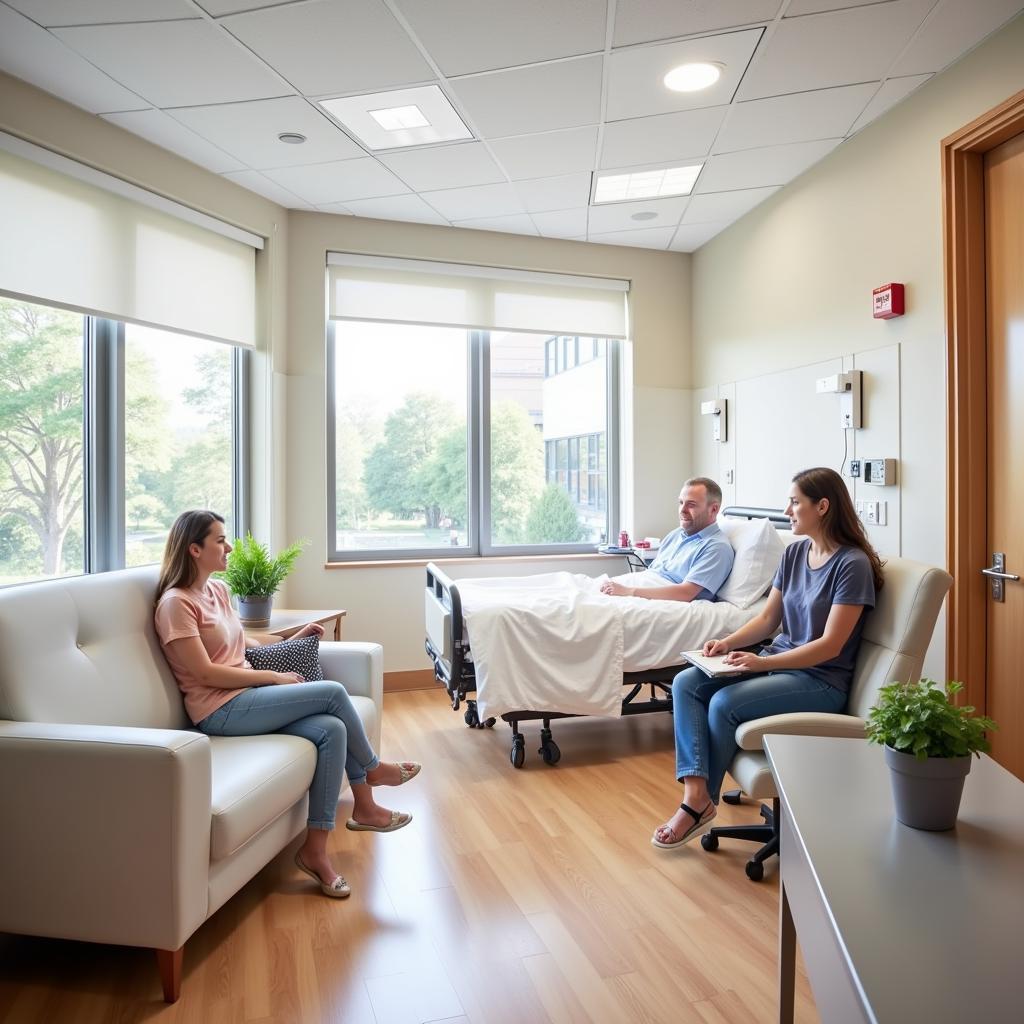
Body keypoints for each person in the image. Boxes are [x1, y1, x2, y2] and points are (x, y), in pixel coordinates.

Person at [154, 510, 421, 898]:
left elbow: (242, 644)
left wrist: (291, 639)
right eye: (219, 541)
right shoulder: (175, 605)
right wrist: (273, 676)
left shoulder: (217, 591)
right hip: (219, 710)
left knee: (332, 729)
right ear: (194, 549)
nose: (228, 547)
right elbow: (206, 673)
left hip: (248, 699)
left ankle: (318, 848)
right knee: (332, 692)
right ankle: (374, 769)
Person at [652, 467, 883, 849]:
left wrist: (762, 663)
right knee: (687, 682)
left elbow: (830, 646)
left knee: (724, 703)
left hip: (820, 680)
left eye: (795, 502)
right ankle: (698, 797)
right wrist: (726, 643)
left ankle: (695, 807)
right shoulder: (794, 553)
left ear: (822, 506)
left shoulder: (851, 565)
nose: (788, 510)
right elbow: (767, 620)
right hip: (781, 662)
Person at [599, 477, 735, 602]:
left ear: (713, 509)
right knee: (584, 589)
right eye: (681, 502)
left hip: (662, 596)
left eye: (691, 504)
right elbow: (652, 574)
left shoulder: (716, 547)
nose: (682, 510)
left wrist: (628, 591)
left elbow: (686, 593)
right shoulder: (676, 535)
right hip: (643, 583)